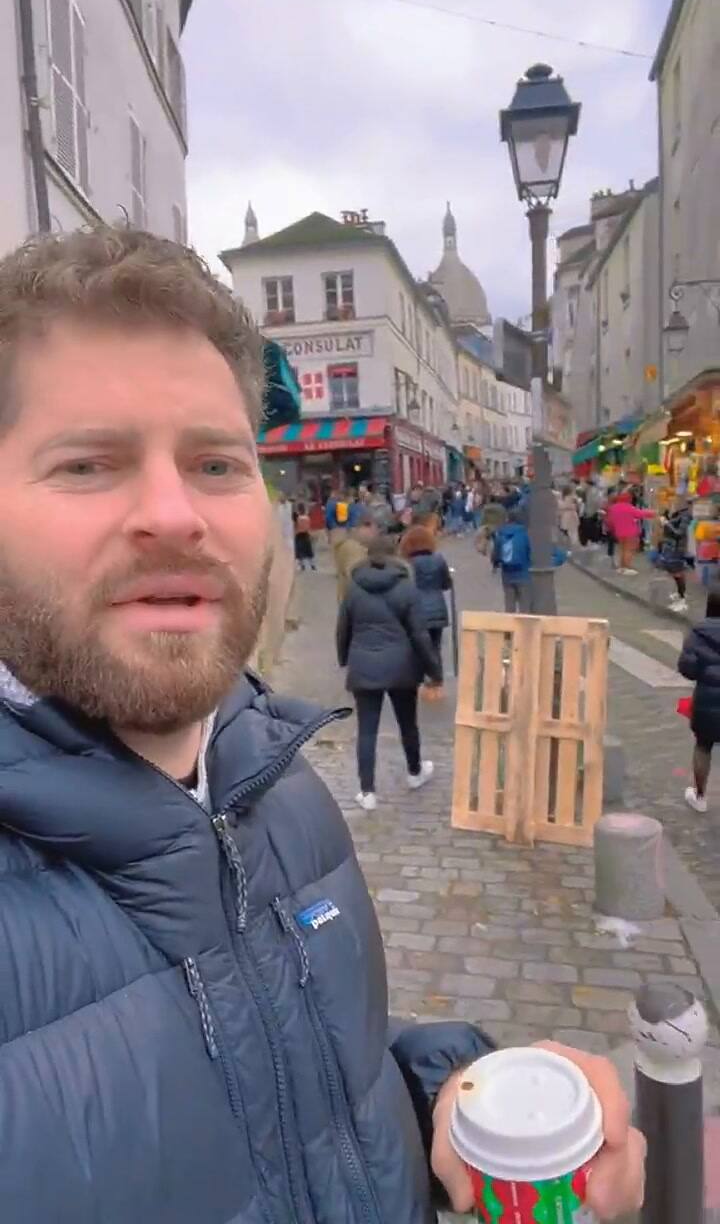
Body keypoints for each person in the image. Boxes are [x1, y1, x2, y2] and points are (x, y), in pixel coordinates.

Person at [0, 225, 644, 1223]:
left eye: (217, 463)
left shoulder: (282, 786)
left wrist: (450, 1099)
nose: (176, 513)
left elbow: (294, 1095)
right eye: (88, 464)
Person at [337, 535, 440, 809]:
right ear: (395, 555)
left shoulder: (354, 587)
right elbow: (420, 634)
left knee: (367, 730)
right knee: (408, 723)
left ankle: (367, 791)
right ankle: (415, 772)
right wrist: (434, 670)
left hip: (364, 663)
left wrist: (344, 658)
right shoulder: (406, 587)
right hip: (402, 665)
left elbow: (343, 628)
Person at [678, 590, 720, 812]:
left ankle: (700, 796)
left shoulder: (699, 632)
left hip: (707, 697)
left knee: (703, 745)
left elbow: (687, 668)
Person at [399, 523, 452, 693]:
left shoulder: (407, 564)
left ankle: (420, 678)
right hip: (438, 608)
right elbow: (446, 584)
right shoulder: (439, 559)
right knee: (435, 645)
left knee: (418, 646)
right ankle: (437, 680)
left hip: (416, 611)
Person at [605, 488, 655, 573]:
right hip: (631, 532)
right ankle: (627, 567)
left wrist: (612, 528)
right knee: (629, 550)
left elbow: (609, 521)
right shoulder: (629, 508)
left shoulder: (613, 508)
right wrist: (653, 513)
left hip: (619, 532)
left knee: (622, 549)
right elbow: (640, 514)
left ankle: (622, 566)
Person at [492, 508, 532, 612]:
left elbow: (496, 554)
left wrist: (495, 565)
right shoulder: (524, 534)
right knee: (525, 605)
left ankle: (510, 625)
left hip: (507, 574)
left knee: (509, 604)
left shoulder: (501, 534)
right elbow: (529, 551)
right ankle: (523, 626)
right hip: (523, 573)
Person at [657, 498, 692, 613]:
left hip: (677, 548)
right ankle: (679, 594)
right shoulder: (677, 513)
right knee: (673, 572)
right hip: (670, 547)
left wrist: (667, 523)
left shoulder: (685, 516)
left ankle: (682, 600)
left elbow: (679, 533)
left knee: (677, 573)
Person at [334, 512, 376, 602]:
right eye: (374, 530)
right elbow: (357, 577)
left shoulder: (354, 545)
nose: (375, 535)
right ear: (365, 527)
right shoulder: (353, 548)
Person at [293, 500, 316, 570]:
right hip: (306, 535)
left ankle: (302, 565)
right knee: (308, 551)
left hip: (299, 535)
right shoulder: (307, 517)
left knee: (300, 552)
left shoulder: (297, 518)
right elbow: (308, 527)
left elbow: (295, 526)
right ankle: (312, 565)